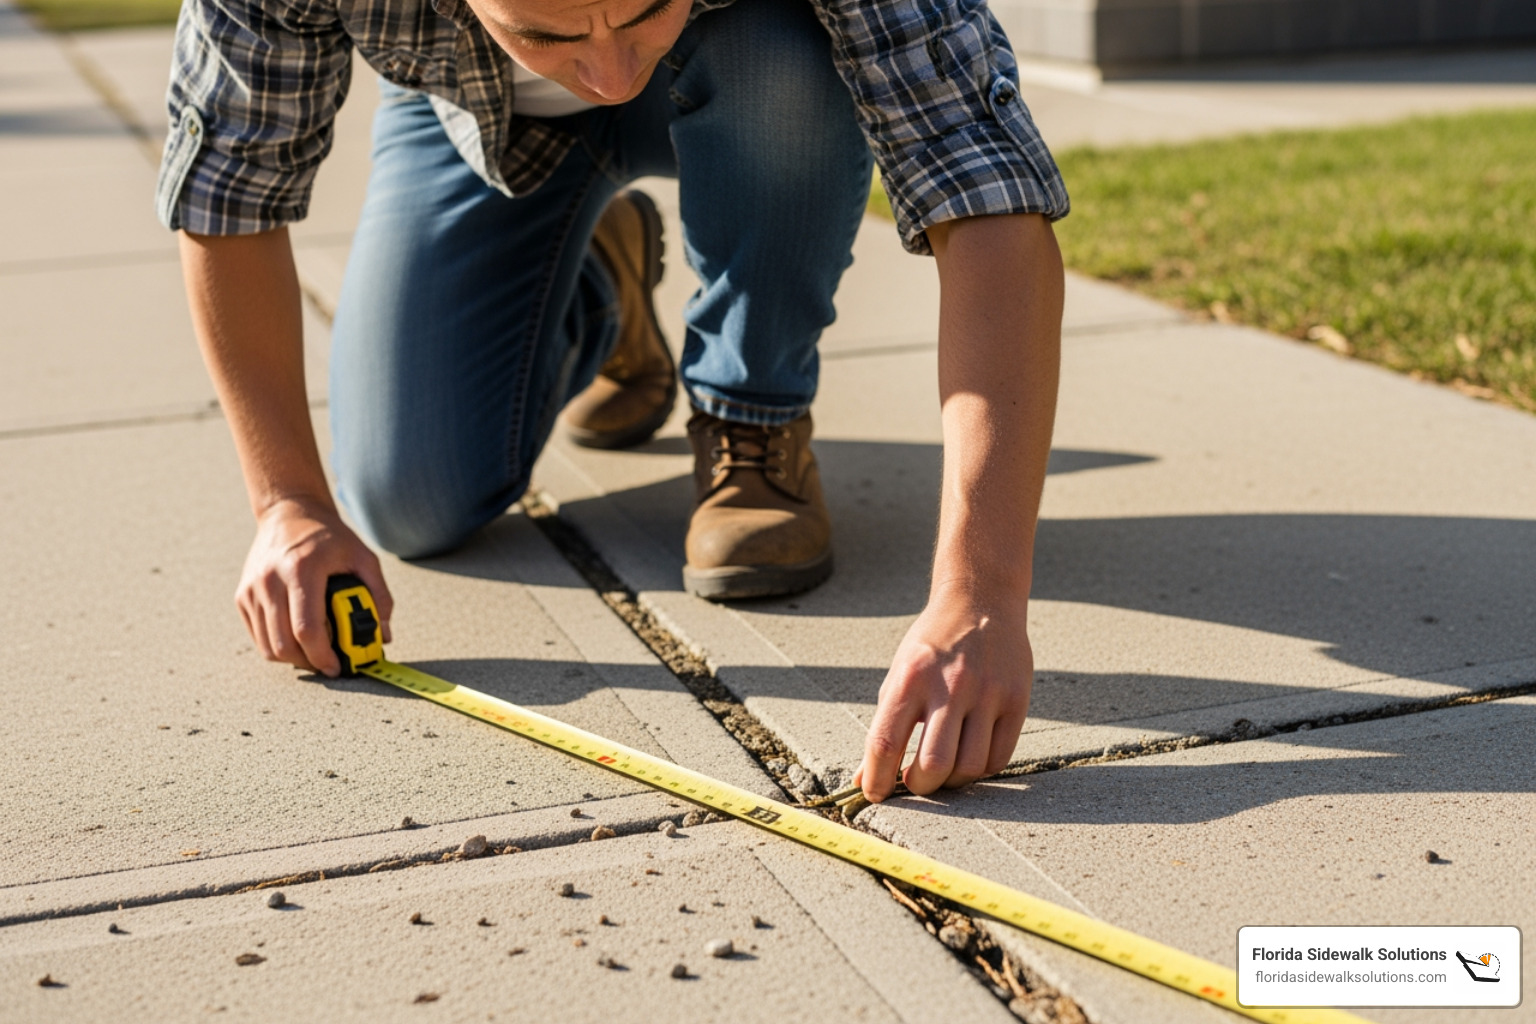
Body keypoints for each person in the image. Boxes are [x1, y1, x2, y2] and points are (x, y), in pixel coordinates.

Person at [159, 0, 1069, 804]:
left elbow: (983, 187)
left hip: (753, 77)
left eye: (642, 11)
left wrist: (981, 593)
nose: (610, 76)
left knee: (785, 63)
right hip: (475, 119)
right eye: (546, 33)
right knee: (409, 498)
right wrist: (287, 505)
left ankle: (752, 416)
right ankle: (597, 281)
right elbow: (230, 191)